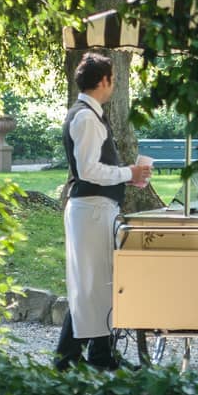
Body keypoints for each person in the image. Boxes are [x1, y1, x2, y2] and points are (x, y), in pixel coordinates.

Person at [54, 52, 153, 370]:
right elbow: (88, 170)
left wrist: (127, 178)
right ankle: (75, 357)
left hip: (95, 208)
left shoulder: (88, 114)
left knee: (95, 284)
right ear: (104, 81)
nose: (114, 85)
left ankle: (92, 355)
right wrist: (128, 173)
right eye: (112, 79)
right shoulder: (85, 118)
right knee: (92, 284)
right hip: (91, 209)